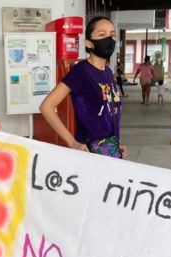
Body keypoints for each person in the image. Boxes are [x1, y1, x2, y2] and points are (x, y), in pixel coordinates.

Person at [39, 16, 125, 159]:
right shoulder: (81, 71)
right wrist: (72, 143)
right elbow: (46, 107)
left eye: (112, 35)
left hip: (109, 151)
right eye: (102, 34)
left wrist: (115, 145)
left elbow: (109, 112)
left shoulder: (108, 72)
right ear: (89, 43)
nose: (109, 39)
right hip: (90, 153)